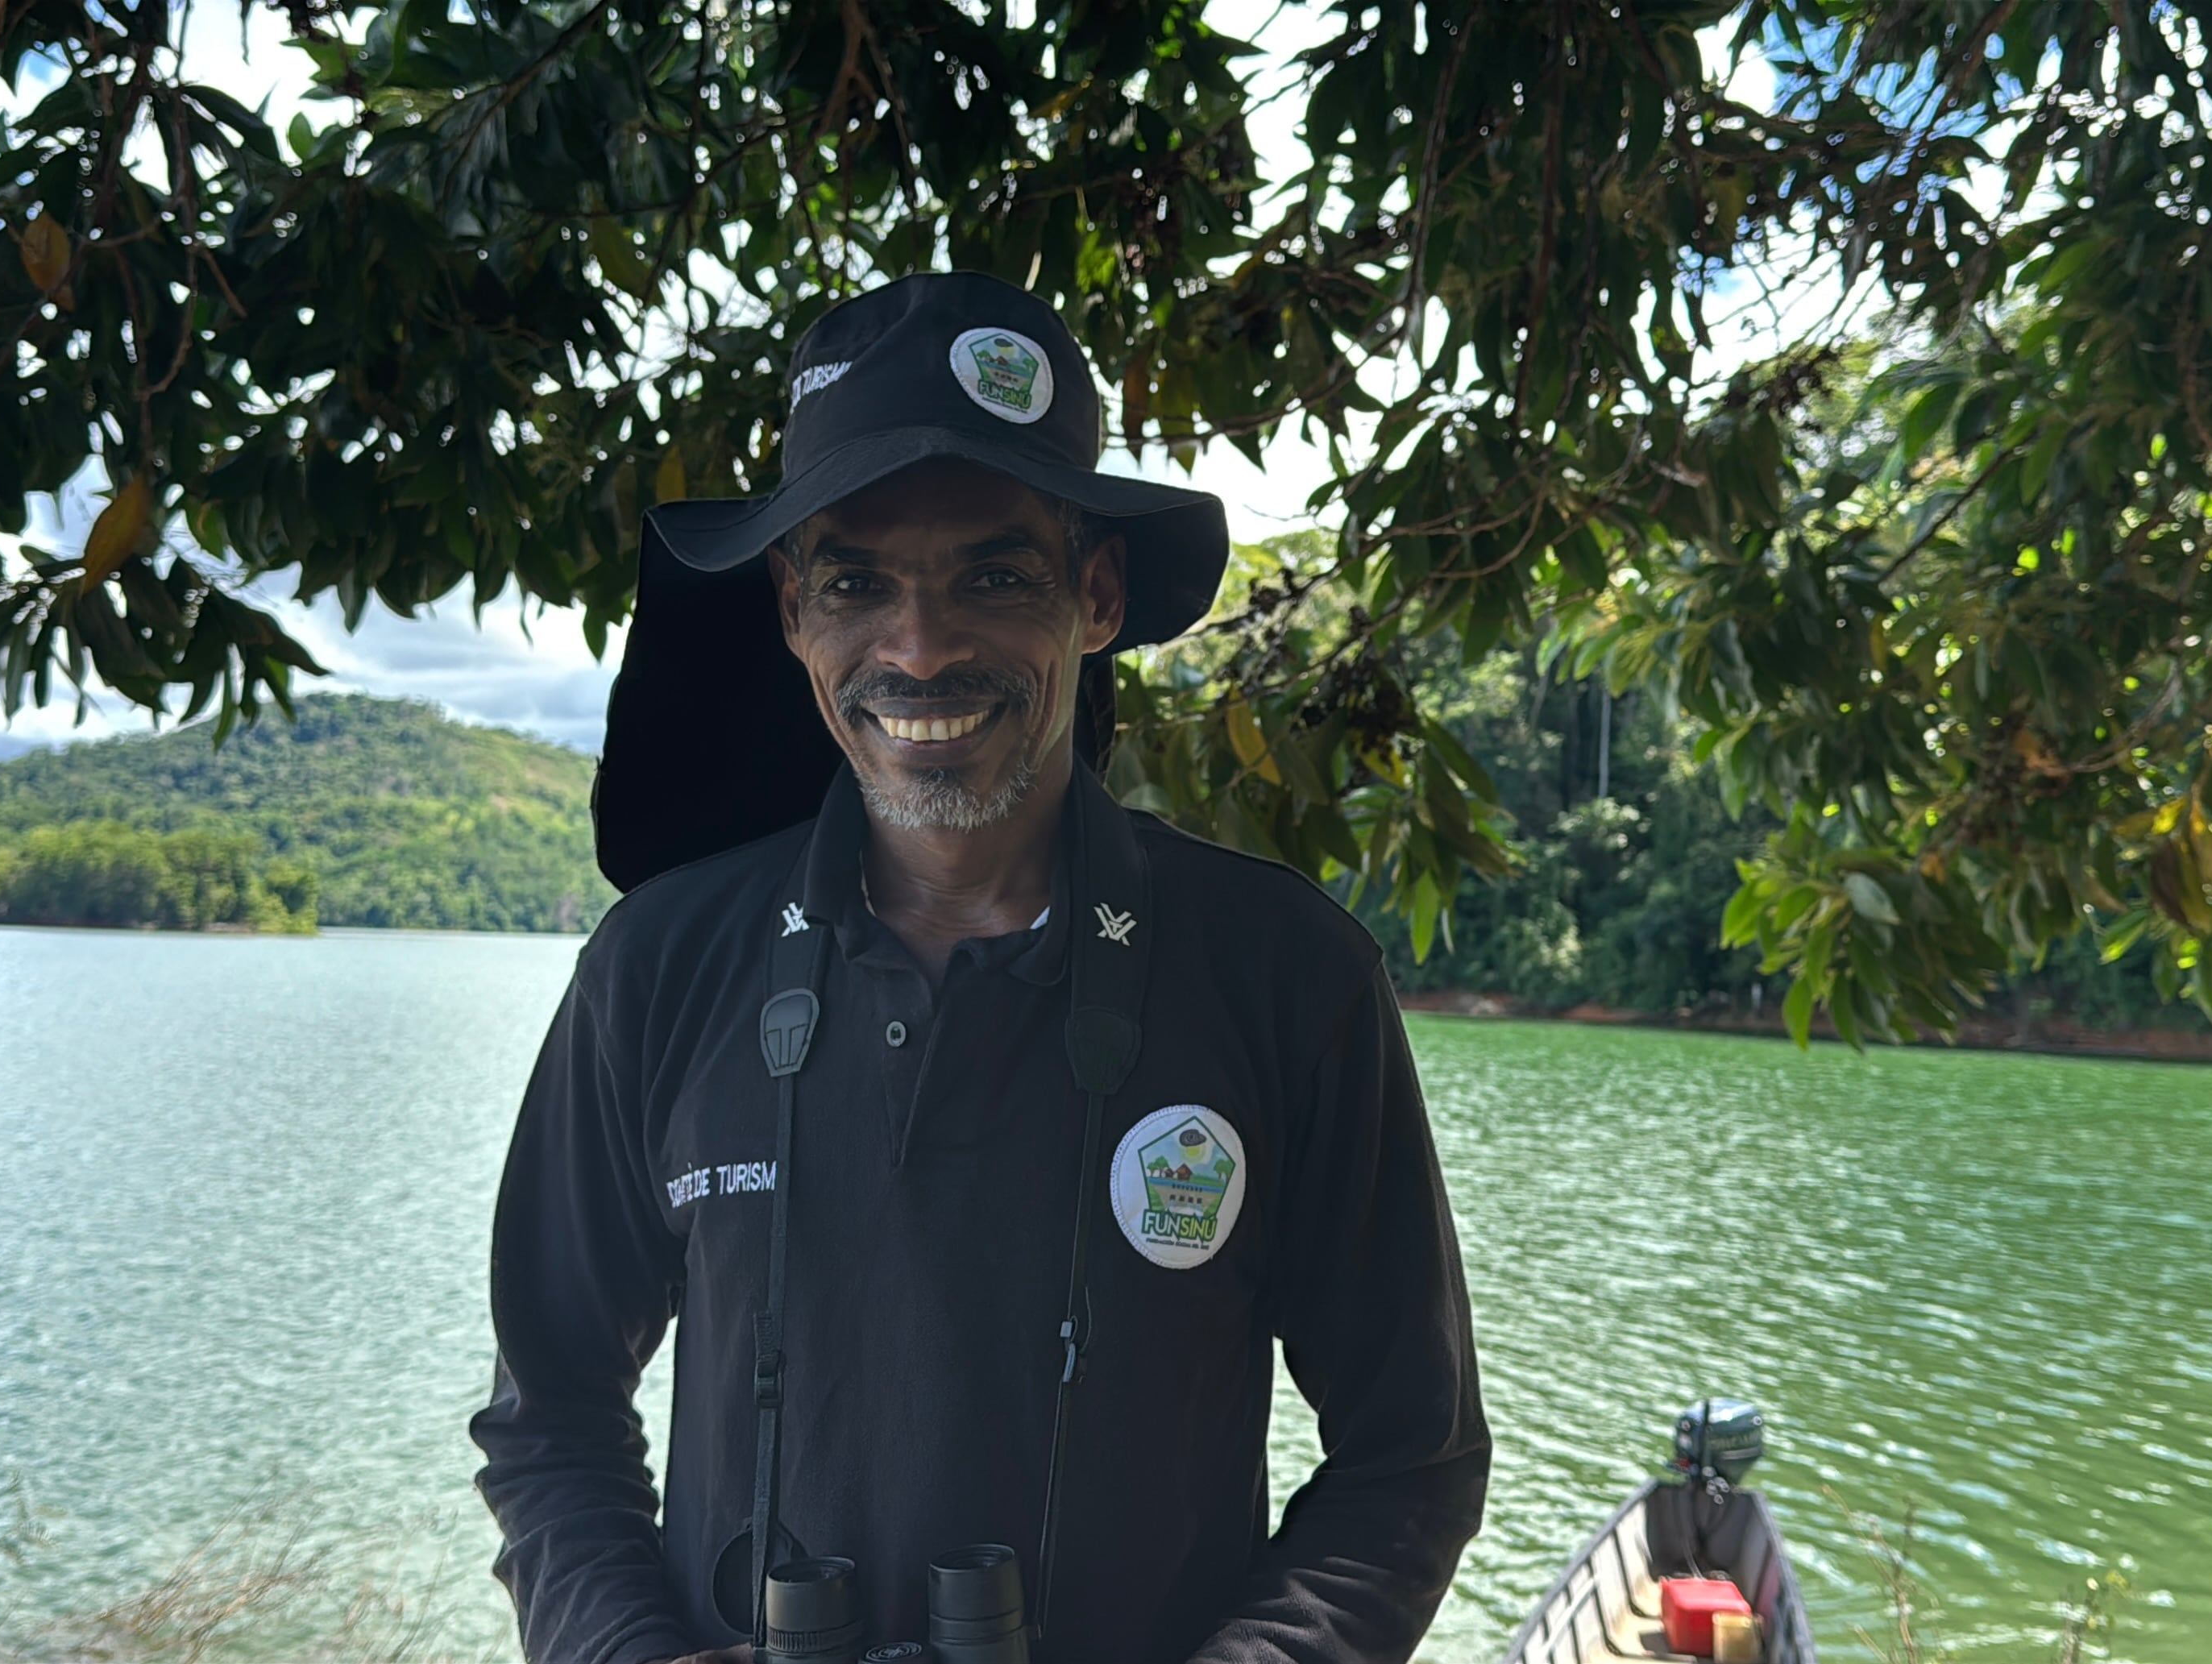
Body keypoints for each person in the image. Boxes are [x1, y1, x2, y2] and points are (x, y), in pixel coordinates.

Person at [471, 272, 1488, 1664]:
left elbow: (1408, 1460)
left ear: (1098, 593)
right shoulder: (656, 969)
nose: (921, 644)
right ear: (790, 612)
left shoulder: (1289, 976)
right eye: (857, 581)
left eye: (993, 575)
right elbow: (550, 1423)